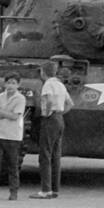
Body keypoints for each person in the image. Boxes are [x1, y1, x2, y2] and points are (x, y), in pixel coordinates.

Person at [33, 60, 73, 198]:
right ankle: (55, 189)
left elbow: (49, 100)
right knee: (56, 156)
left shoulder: (48, 84)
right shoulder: (60, 85)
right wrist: (59, 113)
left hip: (50, 120)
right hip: (59, 119)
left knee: (45, 155)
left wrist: (47, 113)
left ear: (43, 72)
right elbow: (70, 103)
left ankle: (45, 190)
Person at [0, 74, 27, 200]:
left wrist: (2, 112)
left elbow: (15, 116)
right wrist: (6, 113)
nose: (10, 86)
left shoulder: (20, 98)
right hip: (0, 134)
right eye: (8, 83)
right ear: (5, 84)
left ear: (18, 85)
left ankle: (13, 192)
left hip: (13, 136)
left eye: (13, 83)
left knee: (13, 165)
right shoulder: (1, 96)